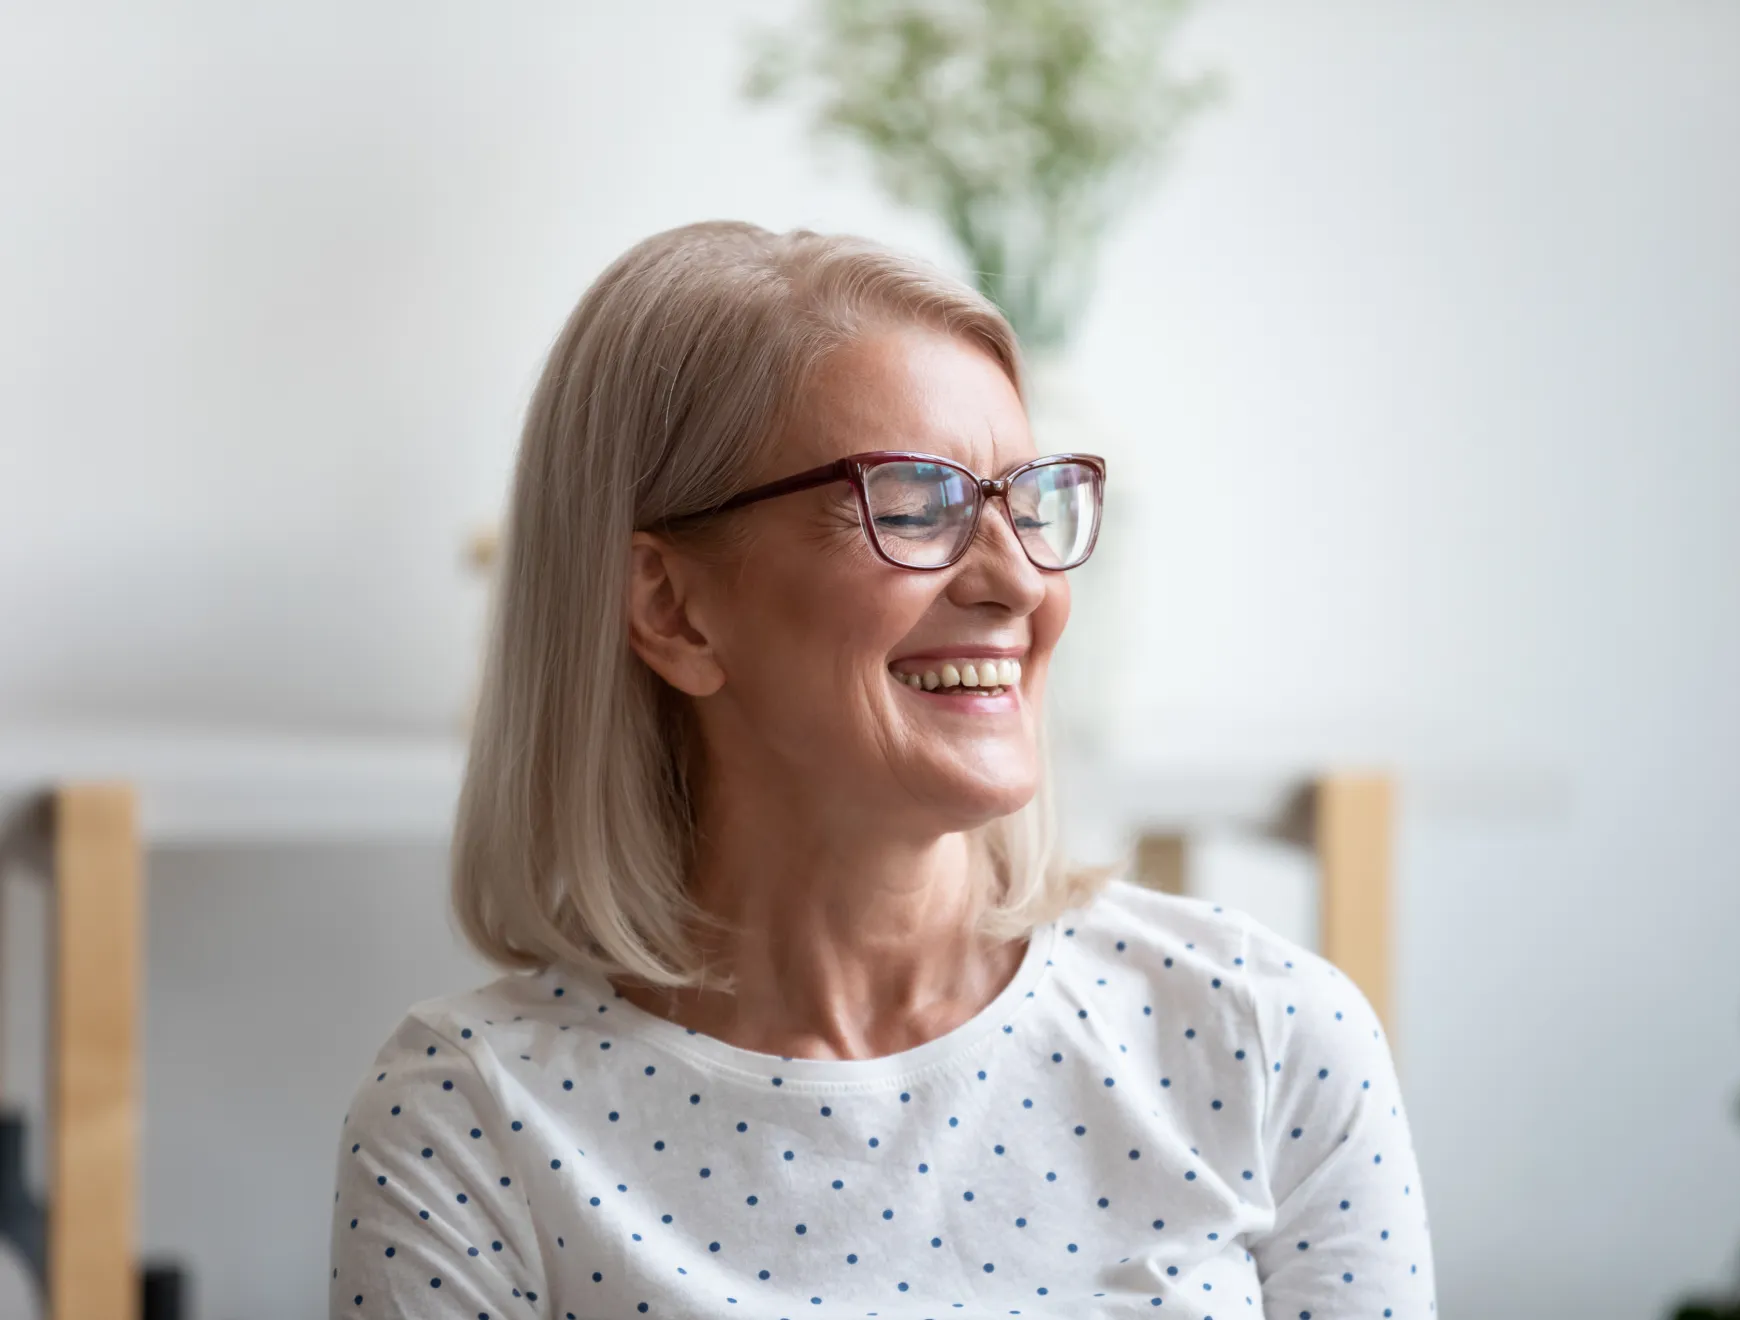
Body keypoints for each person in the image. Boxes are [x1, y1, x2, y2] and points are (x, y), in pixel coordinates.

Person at [329, 220, 1436, 1319]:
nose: (1019, 583)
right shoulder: (468, 1123)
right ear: (671, 609)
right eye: (913, 506)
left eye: (1026, 502)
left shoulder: (1267, 1036)